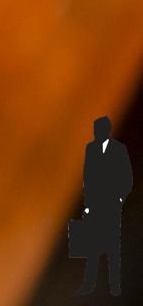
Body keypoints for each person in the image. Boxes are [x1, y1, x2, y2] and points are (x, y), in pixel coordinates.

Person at [77, 115, 133, 297]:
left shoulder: (118, 149)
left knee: (113, 247)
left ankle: (114, 284)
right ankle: (89, 283)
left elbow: (126, 177)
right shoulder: (90, 149)